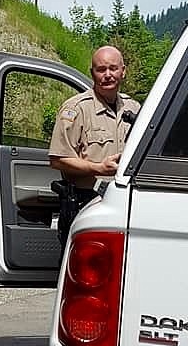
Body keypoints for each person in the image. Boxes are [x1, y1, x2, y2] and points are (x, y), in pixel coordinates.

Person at [49, 45, 140, 250]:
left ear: (123, 71)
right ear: (92, 73)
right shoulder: (76, 109)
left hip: (123, 201)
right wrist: (98, 168)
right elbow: (57, 159)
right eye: (101, 69)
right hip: (85, 201)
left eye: (113, 68)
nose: (107, 75)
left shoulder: (133, 108)